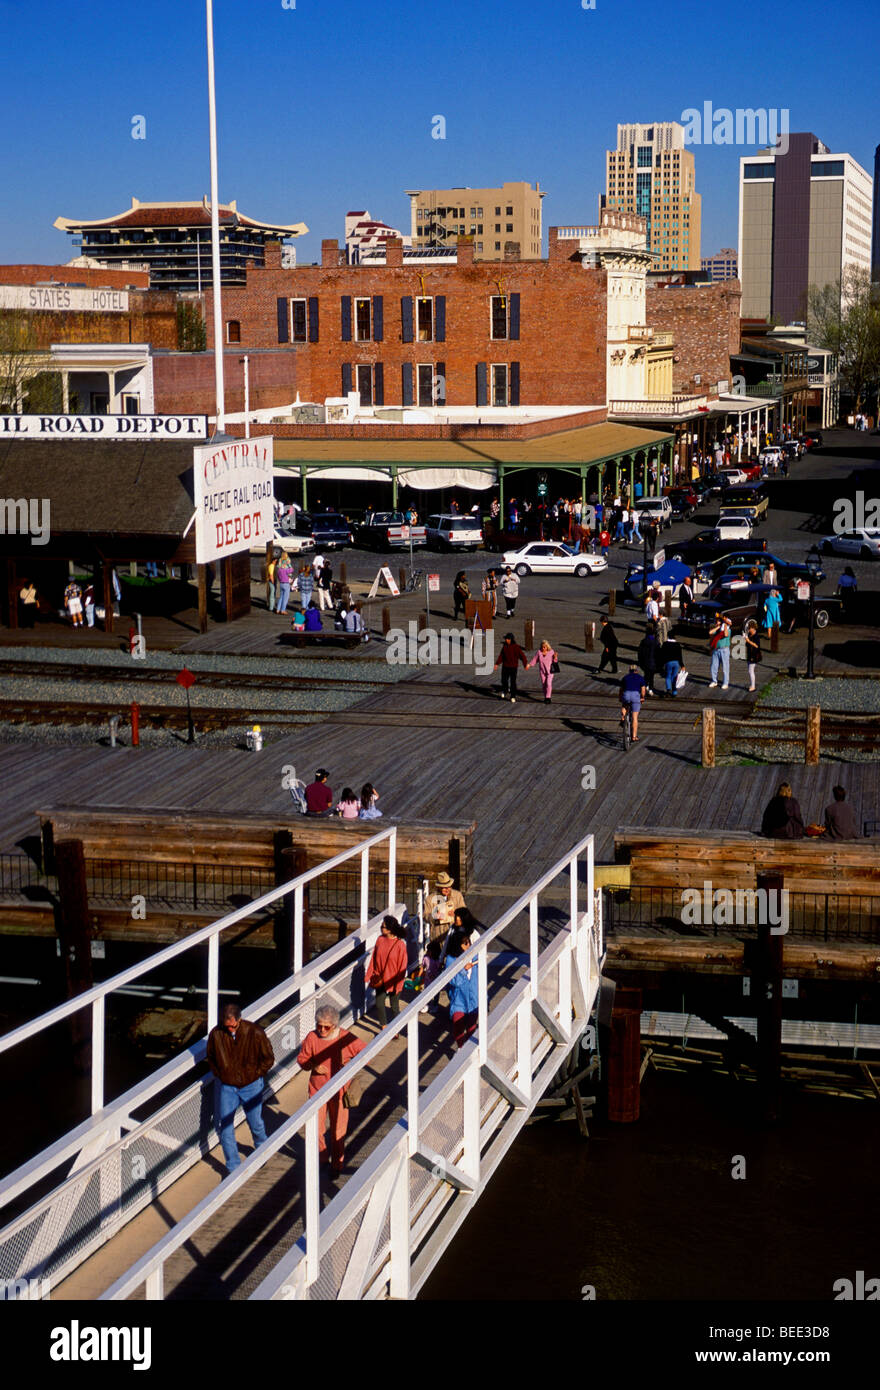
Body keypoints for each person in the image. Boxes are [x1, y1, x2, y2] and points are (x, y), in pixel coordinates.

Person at [297, 1005, 365, 1174]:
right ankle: (322, 1158)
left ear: (335, 1025)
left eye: (326, 1027)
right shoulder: (312, 1038)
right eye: (319, 1025)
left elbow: (366, 1053)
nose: (322, 1030)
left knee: (338, 1130)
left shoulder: (345, 1037)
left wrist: (348, 1066)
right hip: (317, 1090)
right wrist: (313, 1065)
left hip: (340, 1091)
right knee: (316, 1129)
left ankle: (337, 1164)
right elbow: (302, 1059)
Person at [206, 1003, 275, 1173]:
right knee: (226, 1127)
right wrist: (221, 1075)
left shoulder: (255, 1032)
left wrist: (255, 1074)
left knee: (256, 1123)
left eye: (232, 1026)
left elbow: (268, 1058)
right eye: (226, 1026)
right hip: (227, 1087)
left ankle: (261, 1151)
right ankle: (233, 1167)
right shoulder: (216, 1034)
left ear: (239, 1019)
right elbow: (211, 1057)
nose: (230, 1029)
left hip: (251, 1085)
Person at [365, 914, 409, 1026]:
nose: (381, 928)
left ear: (390, 929)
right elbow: (374, 958)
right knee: (379, 1003)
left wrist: (399, 985)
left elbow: (402, 966)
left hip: (394, 979)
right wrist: (369, 974)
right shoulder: (380, 940)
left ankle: (396, 1027)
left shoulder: (400, 945)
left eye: (383, 927)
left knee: (394, 1006)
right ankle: (384, 1027)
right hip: (380, 978)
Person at [446, 934, 479, 1049]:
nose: (468, 945)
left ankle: (469, 1051)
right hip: (458, 998)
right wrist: (463, 970)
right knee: (458, 1026)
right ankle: (460, 1048)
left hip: (473, 997)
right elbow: (454, 981)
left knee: (471, 1027)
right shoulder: (451, 959)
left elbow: (480, 979)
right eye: (465, 943)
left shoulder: (475, 956)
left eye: (469, 942)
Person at [426, 872, 465, 938]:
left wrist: (456, 914)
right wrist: (434, 916)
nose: (447, 889)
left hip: (455, 933)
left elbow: (464, 912)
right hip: (437, 935)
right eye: (444, 888)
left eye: (449, 886)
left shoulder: (458, 895)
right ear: (439, 887)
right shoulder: (430, 899)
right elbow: (426, 915)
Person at [494, 631, 528, 703]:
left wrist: (525, 665)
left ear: (511, 639)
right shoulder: (505, 646)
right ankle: (505, 690)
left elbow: (522, 656)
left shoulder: (516, 647)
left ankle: (513, 696)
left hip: (513, 667)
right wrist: (497, 664)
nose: (506, 640)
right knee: (504, 680)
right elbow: (501, 656)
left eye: (508, 639)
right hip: (505, 666)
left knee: (513, 682)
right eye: (506, 639)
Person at [619, 665, 646, 742]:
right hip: (635, 696)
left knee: (624, 704)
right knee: (635, 717)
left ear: (629, 670)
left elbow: (621, 690)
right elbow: (643, 690)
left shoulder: (625, 677)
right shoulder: (640, 678)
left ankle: (623, 717)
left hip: (626, 694)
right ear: (636, 670)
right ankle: (634, 737)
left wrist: (620, 698)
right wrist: (642, 697)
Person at [528, 638, 558, 703]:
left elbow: (555, 661)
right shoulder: (539, 652)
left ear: (547, 647)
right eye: (542, 647)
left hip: (550, 671)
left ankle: (548, 697)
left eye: (544, 647)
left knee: (548, 683)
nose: (543, 648)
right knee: (544, 684)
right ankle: (545, 697)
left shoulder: (551, 652)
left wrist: (555, 657)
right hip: (542, 671)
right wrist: (529, 665)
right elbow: (535, 660)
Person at [708, 613, 731, 689]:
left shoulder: (727, 629)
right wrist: (718, 627)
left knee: (725, 667)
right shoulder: (717, 630)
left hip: (724, 650)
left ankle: (725, 683)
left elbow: (726, 634)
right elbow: (710, 633)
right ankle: (714, 681)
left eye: (718, 621)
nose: (717, 622)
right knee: (713, 666)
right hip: (716, 650)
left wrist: (724, 625)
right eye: (716, 621)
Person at [637, 622, 660, 696]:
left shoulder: (643, 641)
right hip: (653, 662)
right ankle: (650, 689)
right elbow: (658, 652)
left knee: (646, 675)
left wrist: (640, 661)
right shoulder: (656, 642)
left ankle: (645, 687)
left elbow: (640, 652)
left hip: (645, 662)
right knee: (651, 677)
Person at [744, 620, 761, 693]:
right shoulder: (750, 635)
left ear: (753, 628)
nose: (748, 630)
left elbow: (757, 646)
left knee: (751, 671)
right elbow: (747, 645)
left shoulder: (756, 636)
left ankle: (753, 686)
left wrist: (748, 641)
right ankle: (752, 685)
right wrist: (745, 640)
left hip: (754, 655)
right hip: (750, 654)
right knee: (750, 671)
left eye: (749, 628)